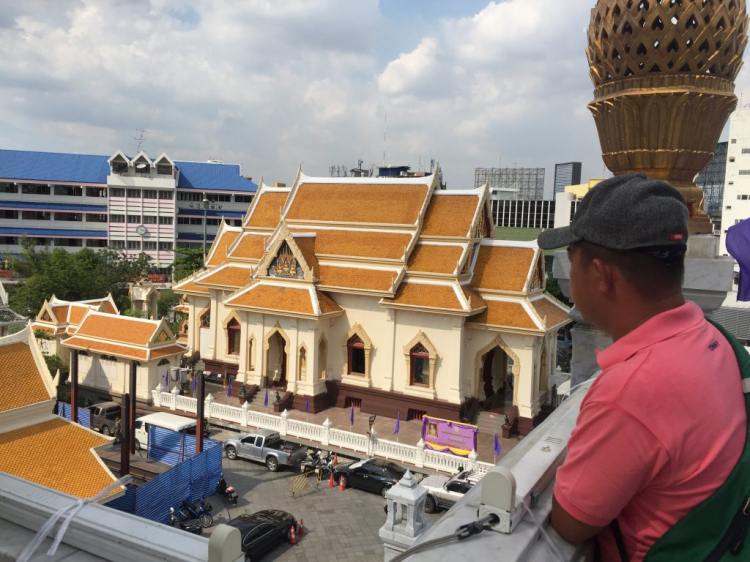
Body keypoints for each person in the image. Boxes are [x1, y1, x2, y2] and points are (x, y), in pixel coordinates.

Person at [538, 174, 746, 561]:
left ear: (601, 275)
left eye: (572, 259)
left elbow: (573, 521)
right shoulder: (713, 339)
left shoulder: (631, 390)